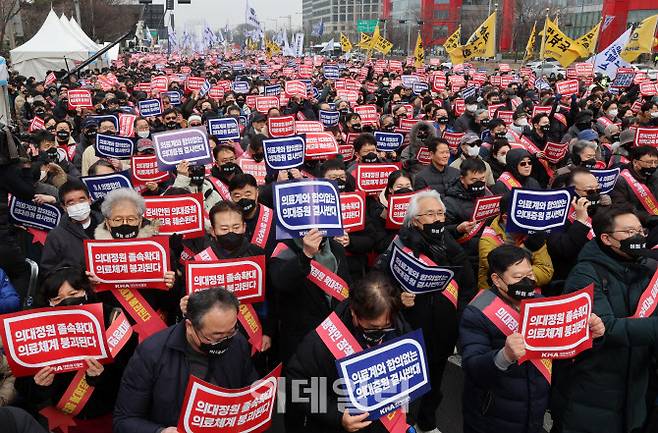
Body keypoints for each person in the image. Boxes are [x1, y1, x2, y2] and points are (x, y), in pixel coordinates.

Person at [461, 245, 604, 433]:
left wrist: (588, 336)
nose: (527, 281)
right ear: (497, 279)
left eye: (530, 274)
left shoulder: (542, 303)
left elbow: (563, 355)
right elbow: (473, 367)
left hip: (534, 410)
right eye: (518, 278)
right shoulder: (478, 311)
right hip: (491, 416)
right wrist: (505, 356)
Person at [551, 205, 657, 433]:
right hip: (593, 389)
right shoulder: (585, 274)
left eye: (640, 231)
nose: (638, 237)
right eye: (629, 232)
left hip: (636, 387)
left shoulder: (647, 267)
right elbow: (606, 328)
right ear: (607, 239)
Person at [377, 190, 475, 432]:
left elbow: (467, 287)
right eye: (430, 214)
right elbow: (377, 284)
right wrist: (397, 299)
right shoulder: (399, 245)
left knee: (435, 381)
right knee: (405, 387)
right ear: (414, 220)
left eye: (440, 213)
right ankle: (402, 425)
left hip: (443, 332)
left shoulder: (450, 245)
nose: (437, 219)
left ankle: (427, 422)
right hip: (408, 331)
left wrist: (457, 318)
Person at [284, 272, 415, 433]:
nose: (380, 332)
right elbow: (294, 385)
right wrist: (337, 415)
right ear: (354, 312)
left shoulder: (399, 328)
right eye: (372, 328)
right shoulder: (321, 343)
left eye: (386, 326)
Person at [113, 288, 258, 433]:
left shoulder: (237, 342)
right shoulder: (151, 353)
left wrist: (260, 395)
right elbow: (123, 420)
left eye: (231, 331)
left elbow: (251, 387)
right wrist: (160, 431)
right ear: (190, 326)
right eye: (215, 336)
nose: (225, 340)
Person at [477, 193, 554, 290]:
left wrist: (520, 274)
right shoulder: (488, 240)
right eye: (523, 215)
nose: (529, 220)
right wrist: (527, 249)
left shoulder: (533, 233)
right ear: (505, 218)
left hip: (529, 292)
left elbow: (546, 271)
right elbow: (505, 274)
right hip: (496, 295)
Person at [41, 181, 102, 273]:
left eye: (82, 200)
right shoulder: (56, 236)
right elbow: (49, 271)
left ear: (89, 200)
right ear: (64, 207)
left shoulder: (108, 225)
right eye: (71, 203)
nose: (78, 206)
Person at [610, 146, 658, 229]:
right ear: (635, 162)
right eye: (649, 162)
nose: (653, 166)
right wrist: (651, 219)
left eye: (656, 162)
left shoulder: (655, 176)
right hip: (638, 225)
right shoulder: (621, 180)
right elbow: (623, 208)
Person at [229, 173, 276, 254]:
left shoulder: (274, 218)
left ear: (257, 192)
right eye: (237, 196)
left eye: (248, 194)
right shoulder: (228, 222)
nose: (243, 199)